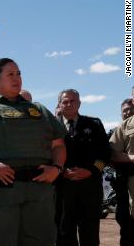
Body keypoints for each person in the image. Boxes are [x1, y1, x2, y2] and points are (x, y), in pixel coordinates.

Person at [0, 58, 66, 246]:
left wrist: (56, 168)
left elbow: (58, 145)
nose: (17, 78)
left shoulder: (39, 110)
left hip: (39, 192)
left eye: (18, 73)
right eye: (10, 74)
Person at [55, 89, 111, 246]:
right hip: (62, 187)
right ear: (59, 104)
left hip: (90, 186)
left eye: (73, 101)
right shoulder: (51, 126)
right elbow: (45, 153)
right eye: (65, 101)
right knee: (64, 231)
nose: (69, 104)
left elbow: (105, 153)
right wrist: (61, 171)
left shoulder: (94, 124)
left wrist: (91, 170)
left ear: (79, 103)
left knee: (90, 231)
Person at [110, 97, 134, 246]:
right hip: (127, 187)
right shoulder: (124, 127)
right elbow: (110, 153)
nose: (127, 113)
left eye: (129, 110)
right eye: (124, 111)